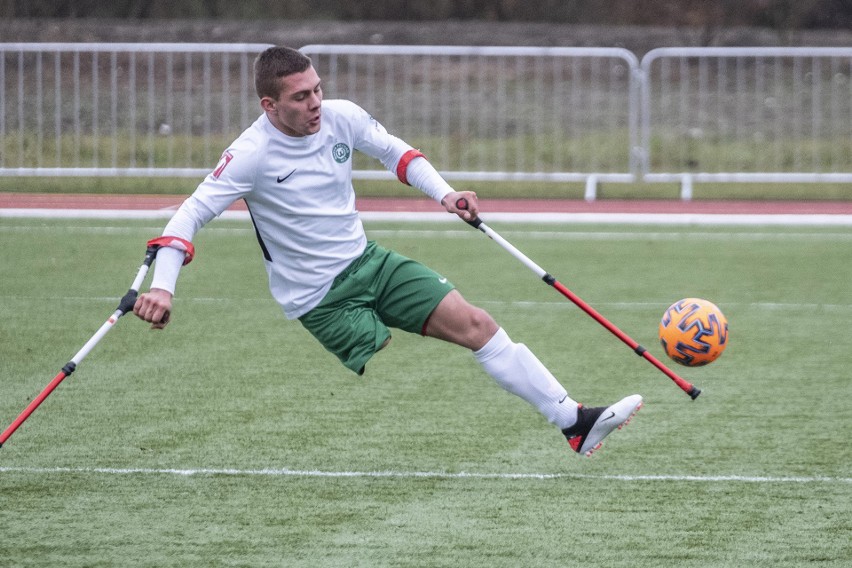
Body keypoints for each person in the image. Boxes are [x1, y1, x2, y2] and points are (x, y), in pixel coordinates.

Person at [133, 46, 642, 457]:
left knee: (478, 325)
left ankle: (574, 422)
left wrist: (445, 192)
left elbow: (396, 152)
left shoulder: (340, 118)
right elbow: (189, 214)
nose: (315, 103)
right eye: (300, 97)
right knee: (392, 358)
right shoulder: (250, 155)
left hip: (369, 261)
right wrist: (163, 286)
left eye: (317, 90)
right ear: (269, 105)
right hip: (319, 297)